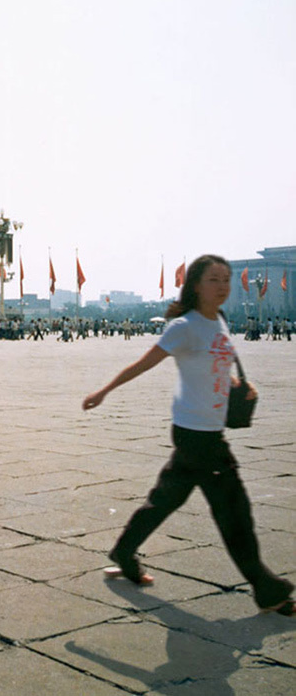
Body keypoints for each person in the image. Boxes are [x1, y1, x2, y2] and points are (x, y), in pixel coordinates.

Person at [82, 254, 294, 616]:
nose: (223, 286)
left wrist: (239, 383)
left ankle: (124, 551)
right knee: (234, 510)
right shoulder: (185, 326)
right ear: (196, 284)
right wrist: (104, 391)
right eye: (214, 279)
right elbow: (144, 362)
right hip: (197, 435)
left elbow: (215, 365)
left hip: (206, 430)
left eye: (226, 279)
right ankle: (266, 587)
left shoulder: (220, 322)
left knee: (165, 499)